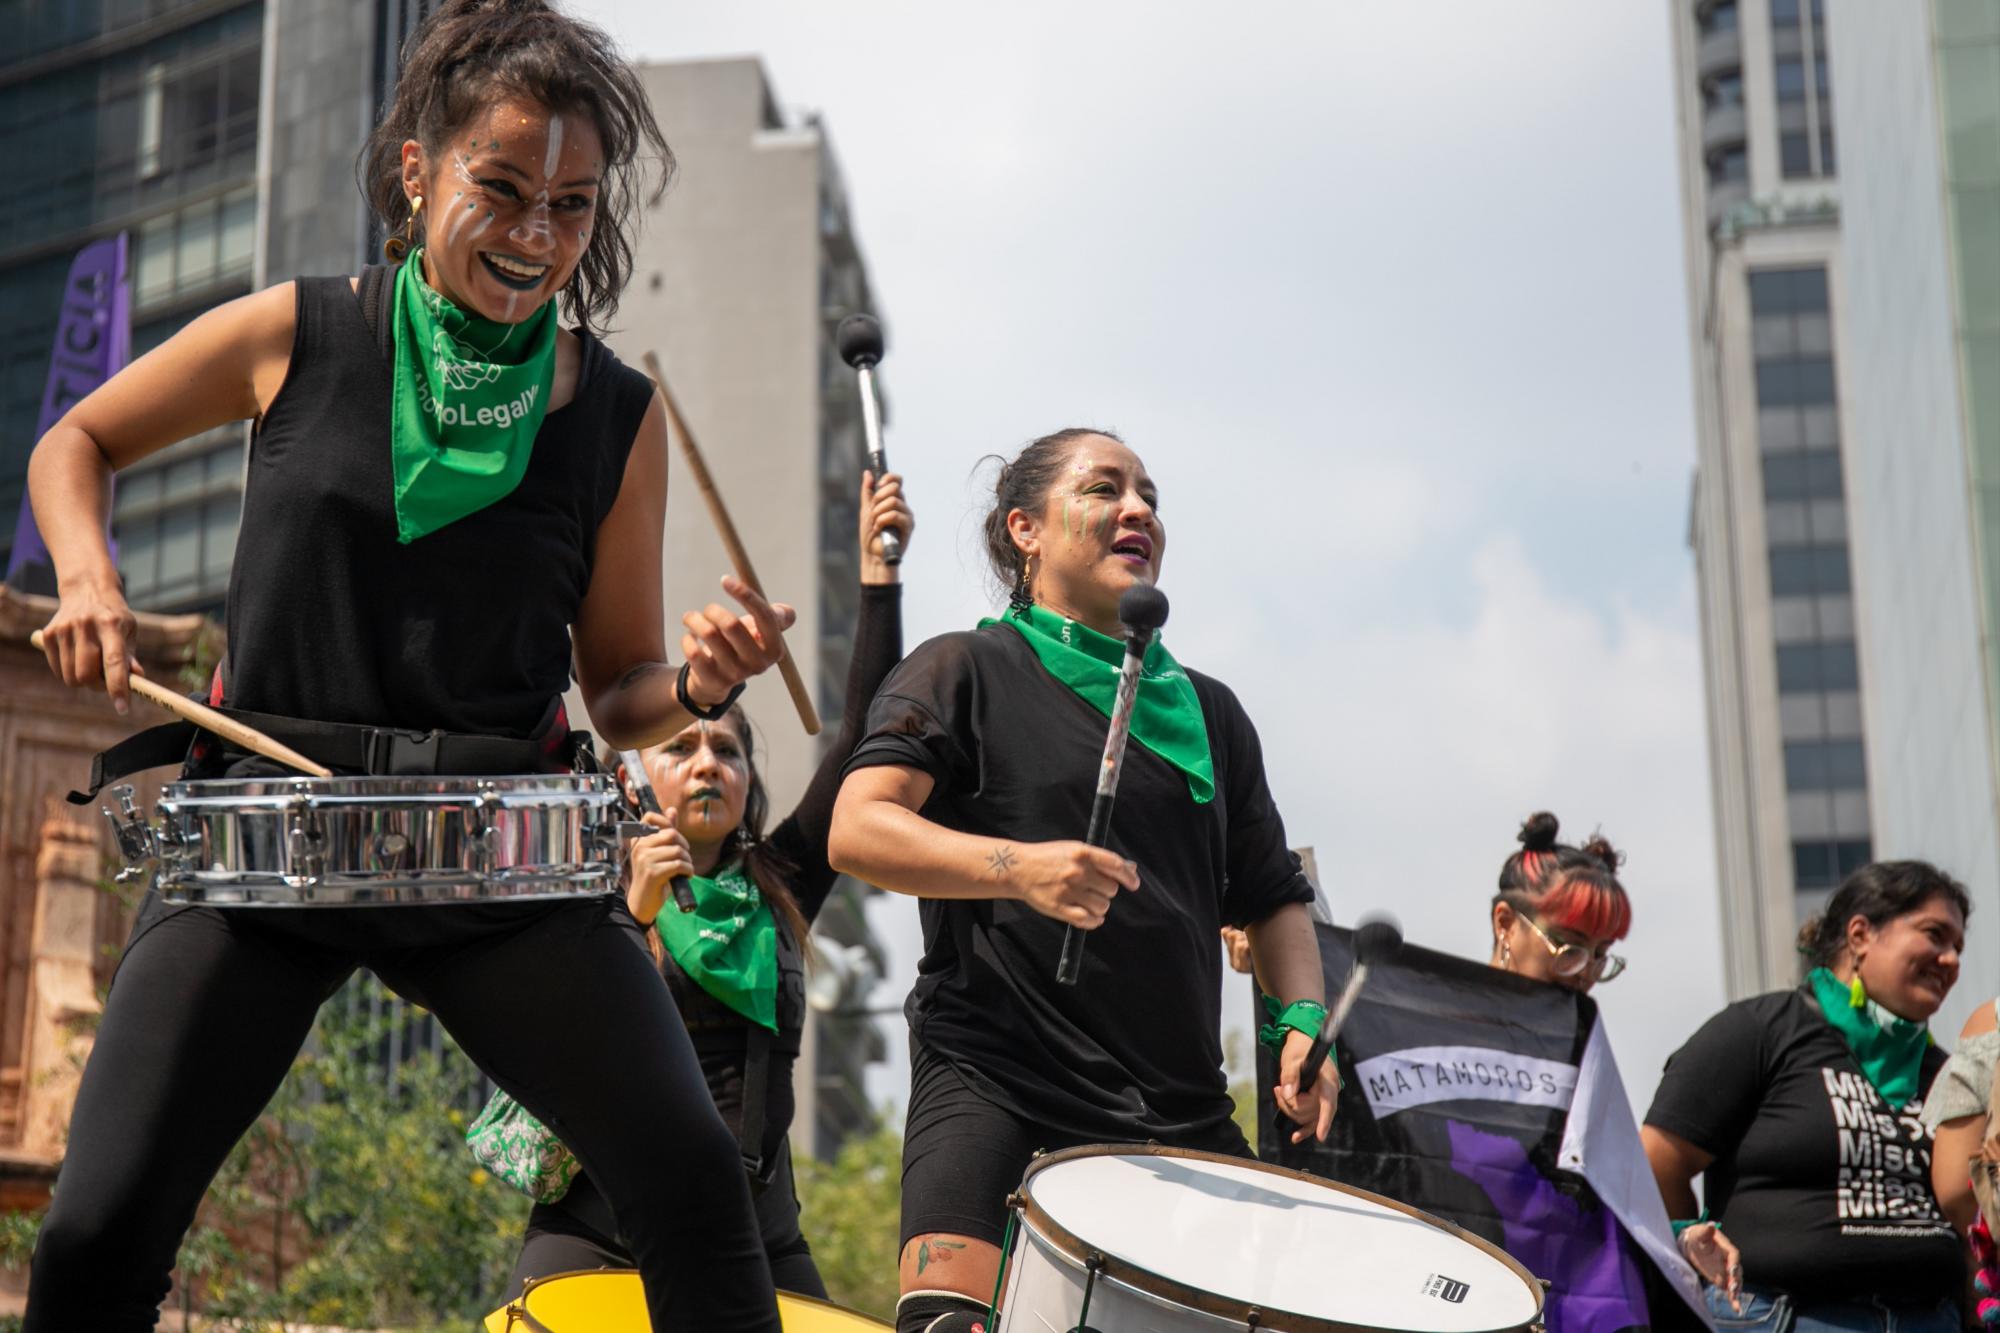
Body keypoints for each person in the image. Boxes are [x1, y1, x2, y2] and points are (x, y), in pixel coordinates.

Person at [21, 2, 789, 1327]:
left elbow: (619, 692)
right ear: (417, 170)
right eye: (504, 188)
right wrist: (89, 579)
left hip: (497, 859)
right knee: (95, 1228)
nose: (536, 234)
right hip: (263, 840)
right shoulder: (295, 332)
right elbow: (73, 443)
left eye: (570, 206)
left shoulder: (618, 415)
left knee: (695, 1188)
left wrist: (700, 688)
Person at [827, 427, 1341, 1333]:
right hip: (995, 1082)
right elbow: (857, 827)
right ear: (1024, 529)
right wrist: (1018, 867)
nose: (1138, 509)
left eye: (1149, 496)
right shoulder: (963, 668)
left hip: (1176, 1110)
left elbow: (1272, 897)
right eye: (1104, 489)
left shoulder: (1213, 712)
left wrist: (1302, 1018)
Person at [503, 468, 913, 1298]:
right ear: (634, 778)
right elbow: (546, 1047)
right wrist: (629, 920)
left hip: (756, 1234)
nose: (706, 764)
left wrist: (878, 577)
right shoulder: (585, 882)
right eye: (681, 747)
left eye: (727, 750)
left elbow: (864, 737)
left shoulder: (781, 885)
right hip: (601, 1227)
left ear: (749, 780)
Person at [1642, 861, 1971, 1333]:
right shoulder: (1761, 1031)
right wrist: (1693, 1254)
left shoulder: (1948, 1072)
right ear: (1861, 934)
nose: (1951, 960)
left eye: (1958, 947)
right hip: (1780, 1317)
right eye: (1935, 935)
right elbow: (1656, 1163)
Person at [1489, 812, 1630, 994]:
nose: (1585, 974)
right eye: (1569, 949)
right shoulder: (1452, 1007)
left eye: (1599, 954)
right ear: (1505, 924)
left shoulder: (1584, 1014)